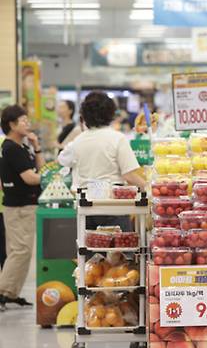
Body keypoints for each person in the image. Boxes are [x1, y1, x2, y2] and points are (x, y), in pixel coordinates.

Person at [58, 92, 146, 231]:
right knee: (118, 249)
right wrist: (149, 187)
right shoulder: (117, 139)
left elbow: (63, 159)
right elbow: (129, 175)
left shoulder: (78, 141)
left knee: (90, 248)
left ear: (84, 116)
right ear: (111, 113)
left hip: (86, 205)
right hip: (112, 205)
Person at [0, 105, 44, 309]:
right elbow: (31, 178)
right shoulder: (11, 148)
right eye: (23, 120)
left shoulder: (20, 147)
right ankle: (3, 292)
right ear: (12, 124)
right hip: (19, 206)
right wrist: (52, 178)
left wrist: (36, 146)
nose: (27, 123)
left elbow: (39, 169)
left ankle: (11, 293)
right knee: (20, 251)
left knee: (19, 251)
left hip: (22, 205)